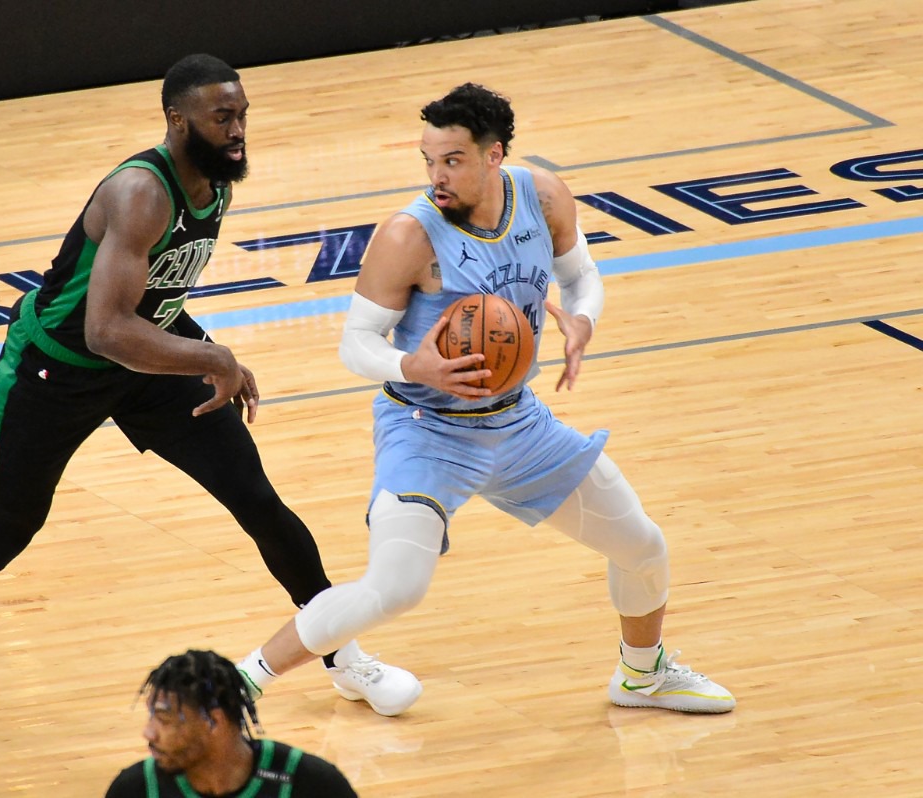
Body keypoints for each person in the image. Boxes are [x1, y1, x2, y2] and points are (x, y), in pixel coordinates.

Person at [0, 54, 420, 717]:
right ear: (177, 118)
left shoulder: (216, 181)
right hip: (59, 368)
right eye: (223, 117)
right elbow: (106, 329)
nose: (238, 129)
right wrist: (213, 356)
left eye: (243, 114)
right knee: (14, 522)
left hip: (145, 366)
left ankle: (339, 651)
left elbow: (157, 299)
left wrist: (204, 354)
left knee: (256, 499)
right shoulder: (140, 193)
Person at [236, 83, 735, 715]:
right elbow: (354, 344)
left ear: (495, 155)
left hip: (519, 424)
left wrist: (583, 321)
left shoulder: (543, 195)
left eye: (453, 160)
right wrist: (410, 364)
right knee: (395, 589)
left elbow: (581, 277)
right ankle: (242, 677)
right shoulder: (407, 236)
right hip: (427, 427)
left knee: (643, 546)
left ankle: (642, 676)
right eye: (428, 160)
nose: (436, 176)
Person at [105, 650, 358, 797]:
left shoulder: (311, 785)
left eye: (164, 719)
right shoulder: (136, 789)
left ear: (213, 721)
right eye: (151, 716)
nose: (148, 732)